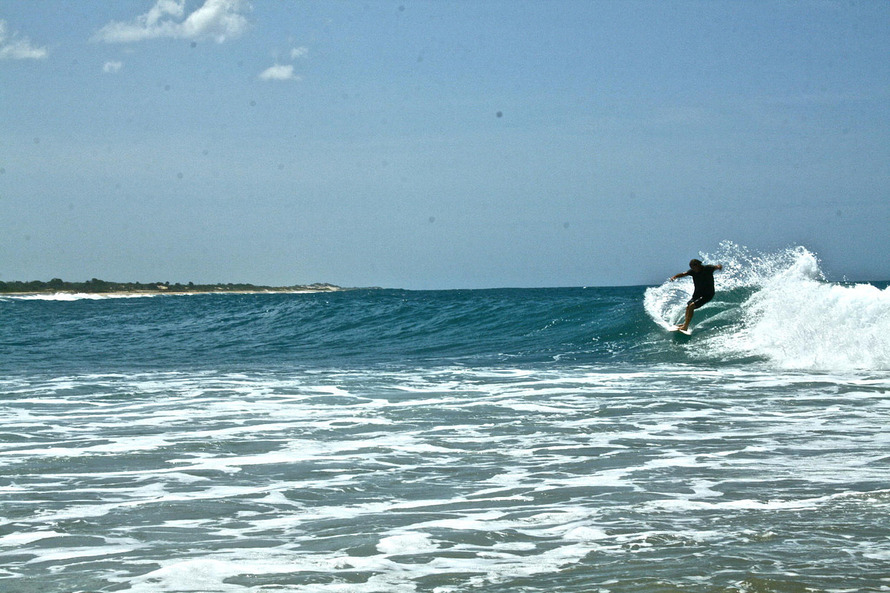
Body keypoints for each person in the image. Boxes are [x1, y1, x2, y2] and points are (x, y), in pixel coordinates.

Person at [670, 259, 723, 331]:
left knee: (691, 306)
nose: (692, 269)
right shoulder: (692, 272)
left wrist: (719, 267)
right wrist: (675, 277)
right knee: (688, 306)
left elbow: (717, 266)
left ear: (698, 265)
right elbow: (683, 274)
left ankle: (685, 326)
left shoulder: (708, 268)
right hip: (697, 294)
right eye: (691, 267)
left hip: (708, 294)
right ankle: (685, 324)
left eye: (693, 267)